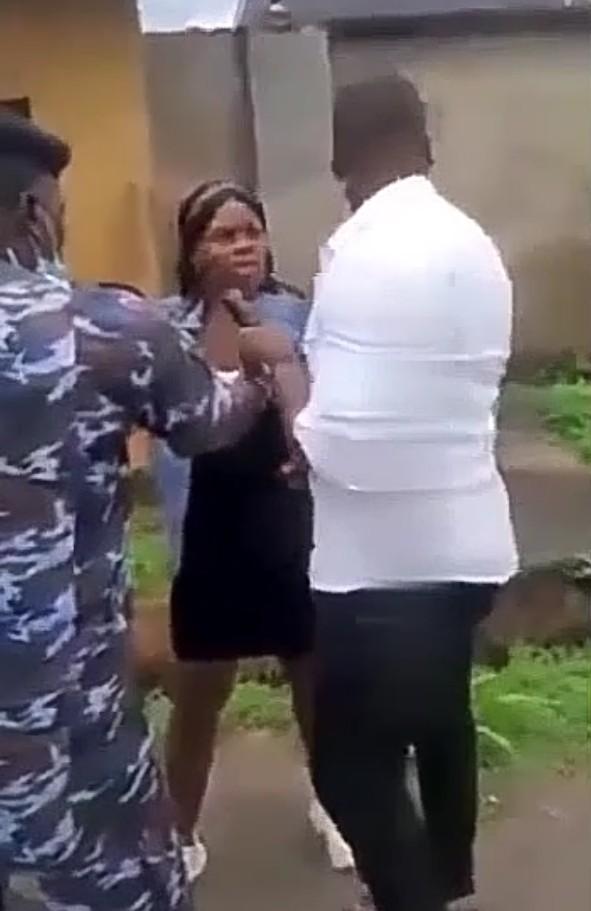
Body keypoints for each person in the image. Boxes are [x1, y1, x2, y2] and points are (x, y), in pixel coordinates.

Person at [0, 115, 290, 911]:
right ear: (33, 213)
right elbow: (208, 422)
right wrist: (262, 373)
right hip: (65, 715)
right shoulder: (104, 328)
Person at [296, 75, 518, 911]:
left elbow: (344, 442)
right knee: (435, 717)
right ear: (423, 143)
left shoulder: (367, 250)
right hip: (465, 546)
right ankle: (446, 880)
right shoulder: (471, 243)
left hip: (380, 568)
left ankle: (414, 896)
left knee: (349, 769)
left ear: (342, 154)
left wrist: (279, 374)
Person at [152, 181, 325, 882]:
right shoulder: (165, 328)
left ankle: (335, 804)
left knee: (313, 678)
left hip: (288, 522)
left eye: (252, 231)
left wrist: (280, 360)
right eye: (224, 235)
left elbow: (316, 417)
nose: (244, 245)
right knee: (197, 694)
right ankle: (178, 834)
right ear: (193, 250)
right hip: (206, 530)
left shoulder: (297, 316)